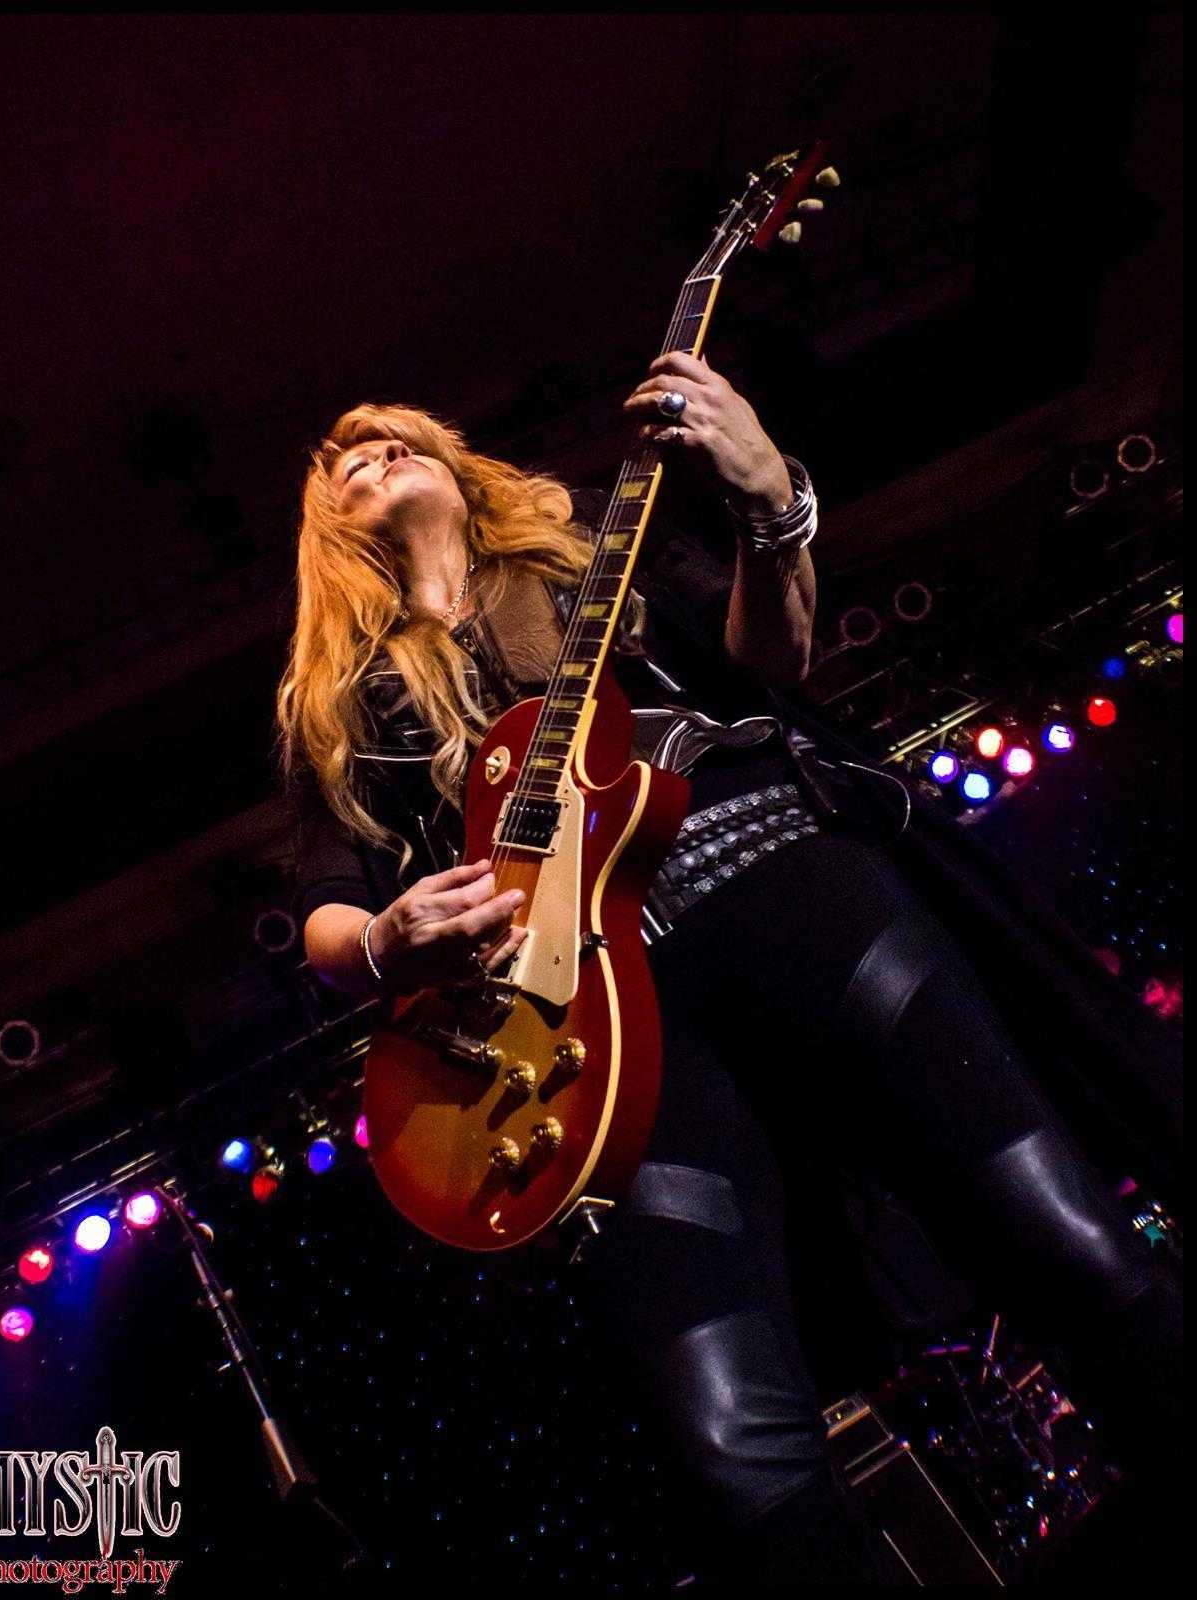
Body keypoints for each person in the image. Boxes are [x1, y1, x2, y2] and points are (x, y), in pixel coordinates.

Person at [278, 353, 1182, 1587]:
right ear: (326, 535)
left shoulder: (590, 548)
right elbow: (325, 914)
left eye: (396, 436)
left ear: (455, 462)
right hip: (592, 1031)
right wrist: (383, 940)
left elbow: (776, 654)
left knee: (1068, 1239)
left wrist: (769, 502)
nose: (370, 453)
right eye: (342, 463)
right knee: (734, 1450)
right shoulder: (340, 702)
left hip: (786, 891)